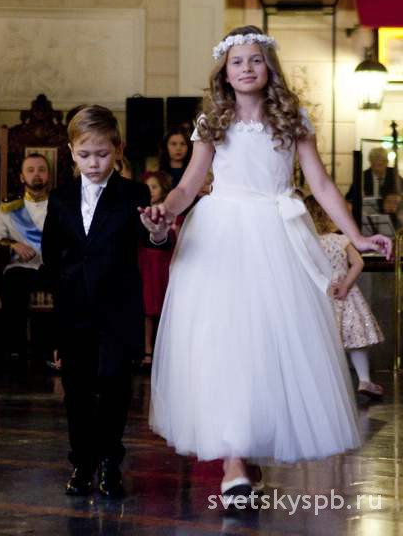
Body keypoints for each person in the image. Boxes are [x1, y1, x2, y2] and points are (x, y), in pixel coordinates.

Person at [139, 25, 392, 506]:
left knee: (267, 350)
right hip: (221, 237)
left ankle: (247, 451)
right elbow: (189, 185)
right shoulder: (212, 122)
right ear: (225, 72)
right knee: (225, 344)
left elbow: (321, 184)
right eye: (237, 61)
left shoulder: (292, 118)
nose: (247, 68)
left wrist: (357, 236)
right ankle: (233, 461)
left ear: (269, 67)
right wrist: (165, 212)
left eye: (255, 59)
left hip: (278, 236)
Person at [42, 105, 168, 498]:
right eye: (84, 155)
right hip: (74, 309)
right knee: (77, 391)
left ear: (118, 149)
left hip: (118, 309)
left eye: (102, 154)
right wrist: (58, 319)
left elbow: (151, 241)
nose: (93, 163)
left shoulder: (133, 193)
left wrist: (158, 232)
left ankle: (110, 462)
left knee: (115, 387)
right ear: (71, 152)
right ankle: (82, 463)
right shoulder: (60, 197)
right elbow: (51, 255)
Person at [304, 195, 385, 399]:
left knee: (323, 341)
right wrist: (345, 285)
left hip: (321, 295)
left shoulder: (307, 243)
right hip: (346, 296)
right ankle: (364, 380)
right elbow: (358, 263)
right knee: (356, 340)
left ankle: (324, 383)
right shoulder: (341, 240)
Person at [0, 153, 51, 360]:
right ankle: (16, 349)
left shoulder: (60, 205)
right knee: (12, 283)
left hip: (51, 267)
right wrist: (13, 243)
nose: (36, 174)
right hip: (21, 268)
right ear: (22, 177)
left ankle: (54, 351)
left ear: (48, 175)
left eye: (41, 169)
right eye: (30, 170)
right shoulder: (10, 207)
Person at [138, 171, 173, 366]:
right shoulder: (141, 210)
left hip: (163, 262)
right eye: (148, 187)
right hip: (146, 262)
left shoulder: (170, 210)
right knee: (147, 306)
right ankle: (147, 348)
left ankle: (163, 348)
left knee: (162, 305)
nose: (151, 191)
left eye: (155, 187)